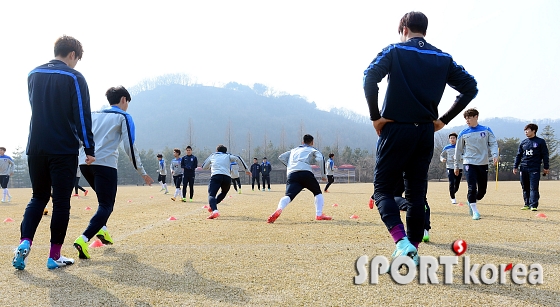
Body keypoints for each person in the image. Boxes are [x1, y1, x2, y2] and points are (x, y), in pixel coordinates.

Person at [363, 12, 478, 264]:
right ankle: (413, 249)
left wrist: (375, 116)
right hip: (425, 131)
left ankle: (402, 242)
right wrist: (443, 120)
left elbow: (370, 76)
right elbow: (471, 87)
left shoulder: (394, 50)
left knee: (382, 190)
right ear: (424, 29)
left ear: (403, 28)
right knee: (416, 195)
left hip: (396, 129)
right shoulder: (443, 57)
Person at [13, 35, 96, 270]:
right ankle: (54, 256)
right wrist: (89, 147)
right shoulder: (74, 76)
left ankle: (25, 242)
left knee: (38, 197)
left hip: (36, 146)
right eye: (77, 59)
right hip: (63, 149)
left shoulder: (33, 73)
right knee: (61, 202)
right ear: (72, 55)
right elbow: (82, 114)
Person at [73, 86, 153, 260]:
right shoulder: (123, 116)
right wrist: (142, 172)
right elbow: (129, 147)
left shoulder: (92, 114)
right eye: (128, 103)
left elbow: (79, 139)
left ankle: (103, 229)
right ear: (124, 99)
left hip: (85, 163)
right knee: (107, 205)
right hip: (105, 165)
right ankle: (84, 238)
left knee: (103, 201)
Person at [267, 134, 332, 223]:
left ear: (302, 142)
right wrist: (323, 175)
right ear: (312, 142)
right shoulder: (312, 149)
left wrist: (290, 166)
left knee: (288, 196)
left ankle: (279, 209)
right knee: (317, 193)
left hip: (292, 174)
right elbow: (321, 159)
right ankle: (319, 214)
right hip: (306, 173)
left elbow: (281, 157)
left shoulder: (294, 150)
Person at [454, 108, 498, 220]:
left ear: (476, 117)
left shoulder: (486, 130)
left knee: (482, 191)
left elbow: (493, 143)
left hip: (483, 163)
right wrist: (456, 165)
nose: (467, 120)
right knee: (471, 187)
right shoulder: (463, 133)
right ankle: (475, 211)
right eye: (466, 118)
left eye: (469, 118)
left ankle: (471, 200)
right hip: (469, 162)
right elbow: (458, 150)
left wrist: (495, 155)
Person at [201, 145, 249, 219]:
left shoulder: (213, 155)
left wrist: (211, 166)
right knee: (223, 192)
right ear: (225, 151)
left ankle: (215, 211)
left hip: (216, 176)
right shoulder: (228, 155)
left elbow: (203, 166)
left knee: (211, 195)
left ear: (217, 151)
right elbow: (238, 158)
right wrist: (246, 170)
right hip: (227, 177)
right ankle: (213, 206)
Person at [513, 123, 549, 211]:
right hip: (524, 167)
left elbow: (545, 155)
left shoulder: (540, 142)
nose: (526, 132)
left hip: (534, 168)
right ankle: (526, 203)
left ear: (533, 131)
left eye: (528, 130)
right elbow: (518, 155)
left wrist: (546, 167)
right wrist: (515, 166)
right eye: (525, 130)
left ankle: (534, 205)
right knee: (525, 186)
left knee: (533, 187)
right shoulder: (523, 142)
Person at [440, 133, 462, 204]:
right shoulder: (446, 147)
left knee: (457, 184)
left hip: (459, 167)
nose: (452, 139)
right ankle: (453, 198)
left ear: (456, 139)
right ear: (449, 139)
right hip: (450, 167)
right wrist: (442, 159)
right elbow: (441, 156)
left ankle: (452, 192)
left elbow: (464, 155)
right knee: (451, 182)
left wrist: (459, 157)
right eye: (451, 138)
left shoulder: (460, 147)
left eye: (453, 138)